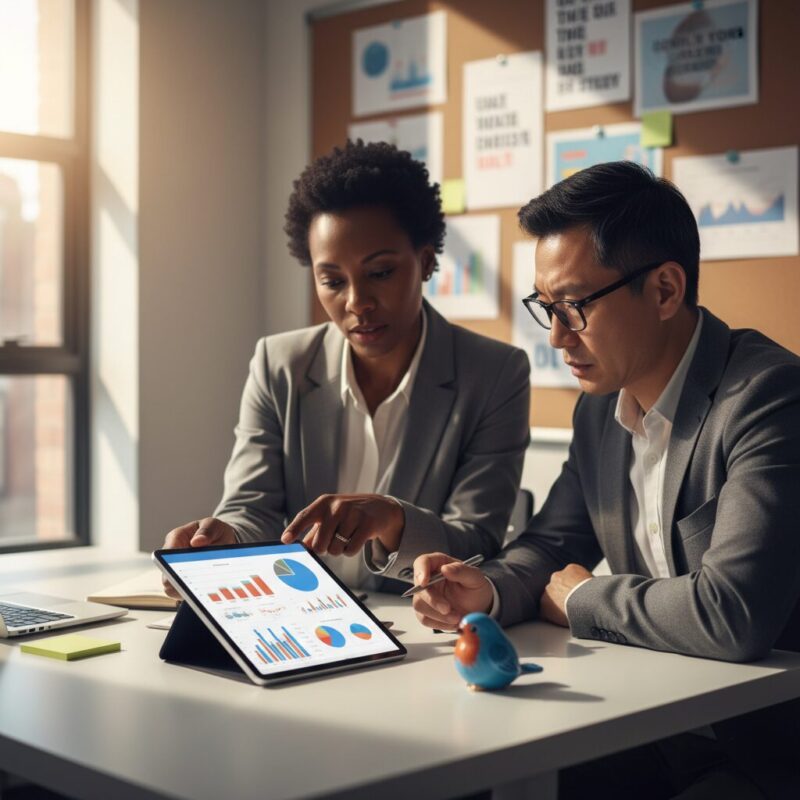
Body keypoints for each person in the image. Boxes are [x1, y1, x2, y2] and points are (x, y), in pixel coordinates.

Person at [412, 161, 800, 798]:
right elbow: (550, 544)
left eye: (574, 306)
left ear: (665, 290)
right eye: (546, 308)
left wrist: (586, 599)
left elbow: (734, 614)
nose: (557, 337)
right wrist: (486, 590)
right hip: (647, 725)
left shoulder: (768, 396)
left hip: (762, 750)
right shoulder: (599, 410)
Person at [161, 141, 530, 593]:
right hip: (303, 613)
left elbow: (477, 539)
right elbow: (251, 508)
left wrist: (394, 520)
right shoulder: (280, 365)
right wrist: (224, 540)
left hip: (418, 622)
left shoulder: (494, 374)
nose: (357, 302)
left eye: (380, 273)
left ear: (426, 261)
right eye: (332, 280)